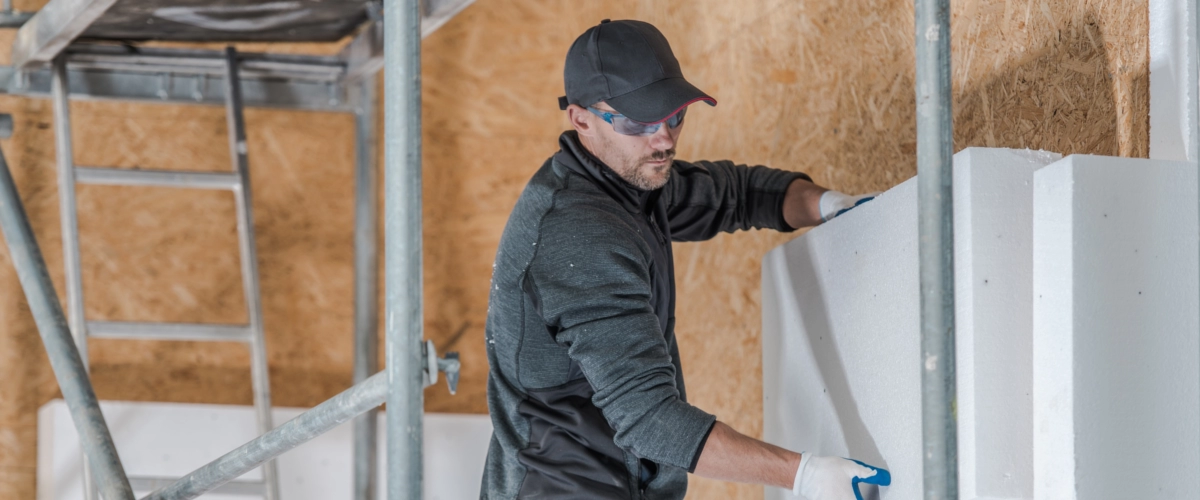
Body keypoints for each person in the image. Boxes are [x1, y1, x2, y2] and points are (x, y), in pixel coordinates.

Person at [481, 19, 889, 500]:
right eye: (638, 122)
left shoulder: (627, 177)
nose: (664, 140)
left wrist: (827, 204)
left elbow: (732, 194)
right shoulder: (579, 235)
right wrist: (804, 475)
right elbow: (650, 419)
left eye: (674, 116)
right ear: (581, 119)